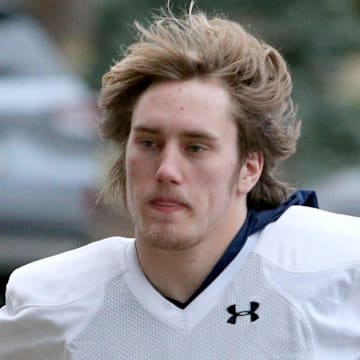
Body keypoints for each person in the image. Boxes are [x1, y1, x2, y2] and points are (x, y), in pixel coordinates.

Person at [0, 5, 359, 359]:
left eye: (196, 147)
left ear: (249, 168)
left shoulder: (337, 267)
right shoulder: (52, 299)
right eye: (149, 143)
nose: (167, 169)